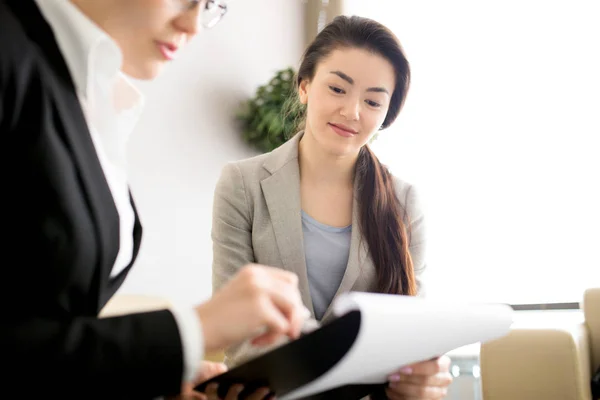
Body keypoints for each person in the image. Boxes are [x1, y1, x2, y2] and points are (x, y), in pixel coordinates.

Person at [0, 0, 308, 398]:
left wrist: (152, 369)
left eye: (210, 5)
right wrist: (191, 331)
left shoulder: (88, 89)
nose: (193, 24)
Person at [212, 15, 453, 400]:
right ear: (305, 85)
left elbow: (411, 330)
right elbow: (235, 321)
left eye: (373, 101)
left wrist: (421, 375)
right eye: (338, 88)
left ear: (386, 114)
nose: (352, 112)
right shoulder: (242, 184)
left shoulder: (405, 202)